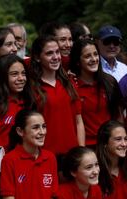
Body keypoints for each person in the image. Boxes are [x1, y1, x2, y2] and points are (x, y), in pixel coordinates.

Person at [30, 35, 84, 170]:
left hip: (72, 157)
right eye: (49, 53)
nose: (55, 57)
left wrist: (82, 153)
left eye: (57, 52)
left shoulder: (69, 83)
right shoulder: (32, 87)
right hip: (45, 156)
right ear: (37, 57)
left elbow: (78, 121)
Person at [69, 39, 123, 147]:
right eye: (87, 56)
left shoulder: (110, 82)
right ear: (77, 61)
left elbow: (119, 115)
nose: (94, 59)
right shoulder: (72, 86)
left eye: (95, 54)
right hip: (86, 146)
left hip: (110, 145)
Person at [0, 54, 36, 150]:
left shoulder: (29, 101)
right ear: (2, 77)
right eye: (14, 74)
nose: (21, 78)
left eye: (23, 73)